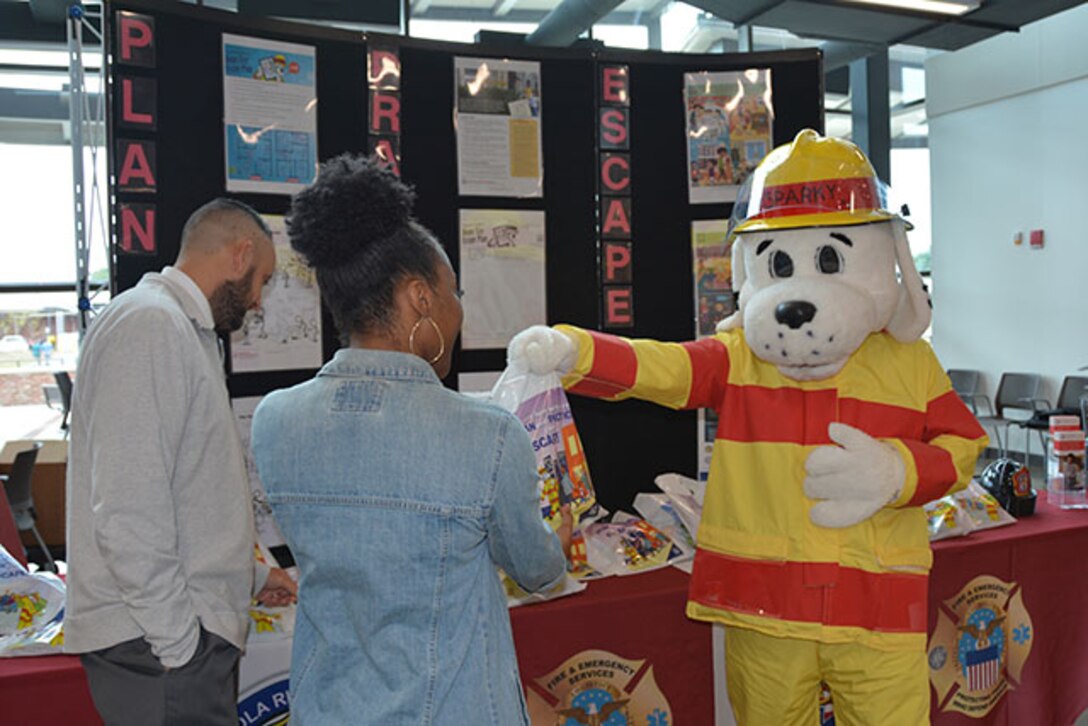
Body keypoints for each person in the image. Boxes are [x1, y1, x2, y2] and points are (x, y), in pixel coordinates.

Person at [250, 154, 570, 725]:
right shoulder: (489, 434)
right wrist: (559, 540)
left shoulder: (275, 421)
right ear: (420, 297)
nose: (458, 312)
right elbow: (536, 571)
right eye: (455, 293)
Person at [65, 198, 298, 725]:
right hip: (157, 647)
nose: (258, 300)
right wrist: (179, 645)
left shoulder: (178, 329)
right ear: (239, 254)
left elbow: (185, 492)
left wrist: (251, 576)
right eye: (262, 278)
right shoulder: (150, 325)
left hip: (164, 641)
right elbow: (128, 506)